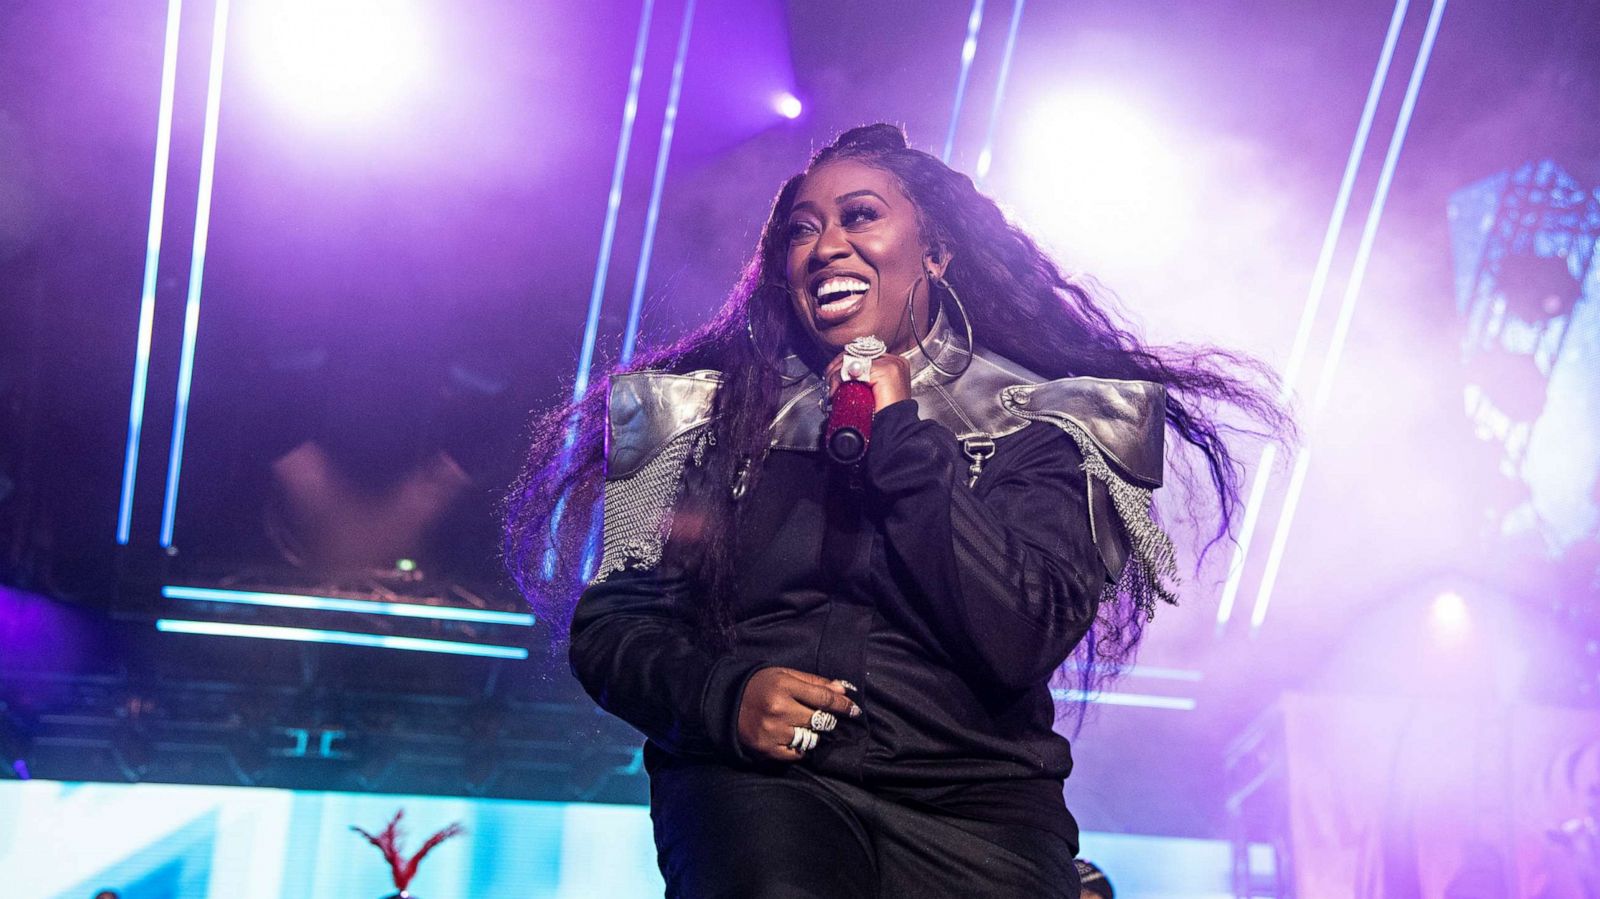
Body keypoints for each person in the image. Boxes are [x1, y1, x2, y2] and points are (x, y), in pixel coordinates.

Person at [506, 124, 1288, 897]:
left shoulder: (1057, 420)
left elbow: (1018, 634)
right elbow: (613, 628)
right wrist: (725, 696)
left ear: (936, 251)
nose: (826, 245)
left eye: (861, 216)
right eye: (801, 230)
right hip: (762, 788)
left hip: (980, 813)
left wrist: (903, 440)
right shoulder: (702, 417)